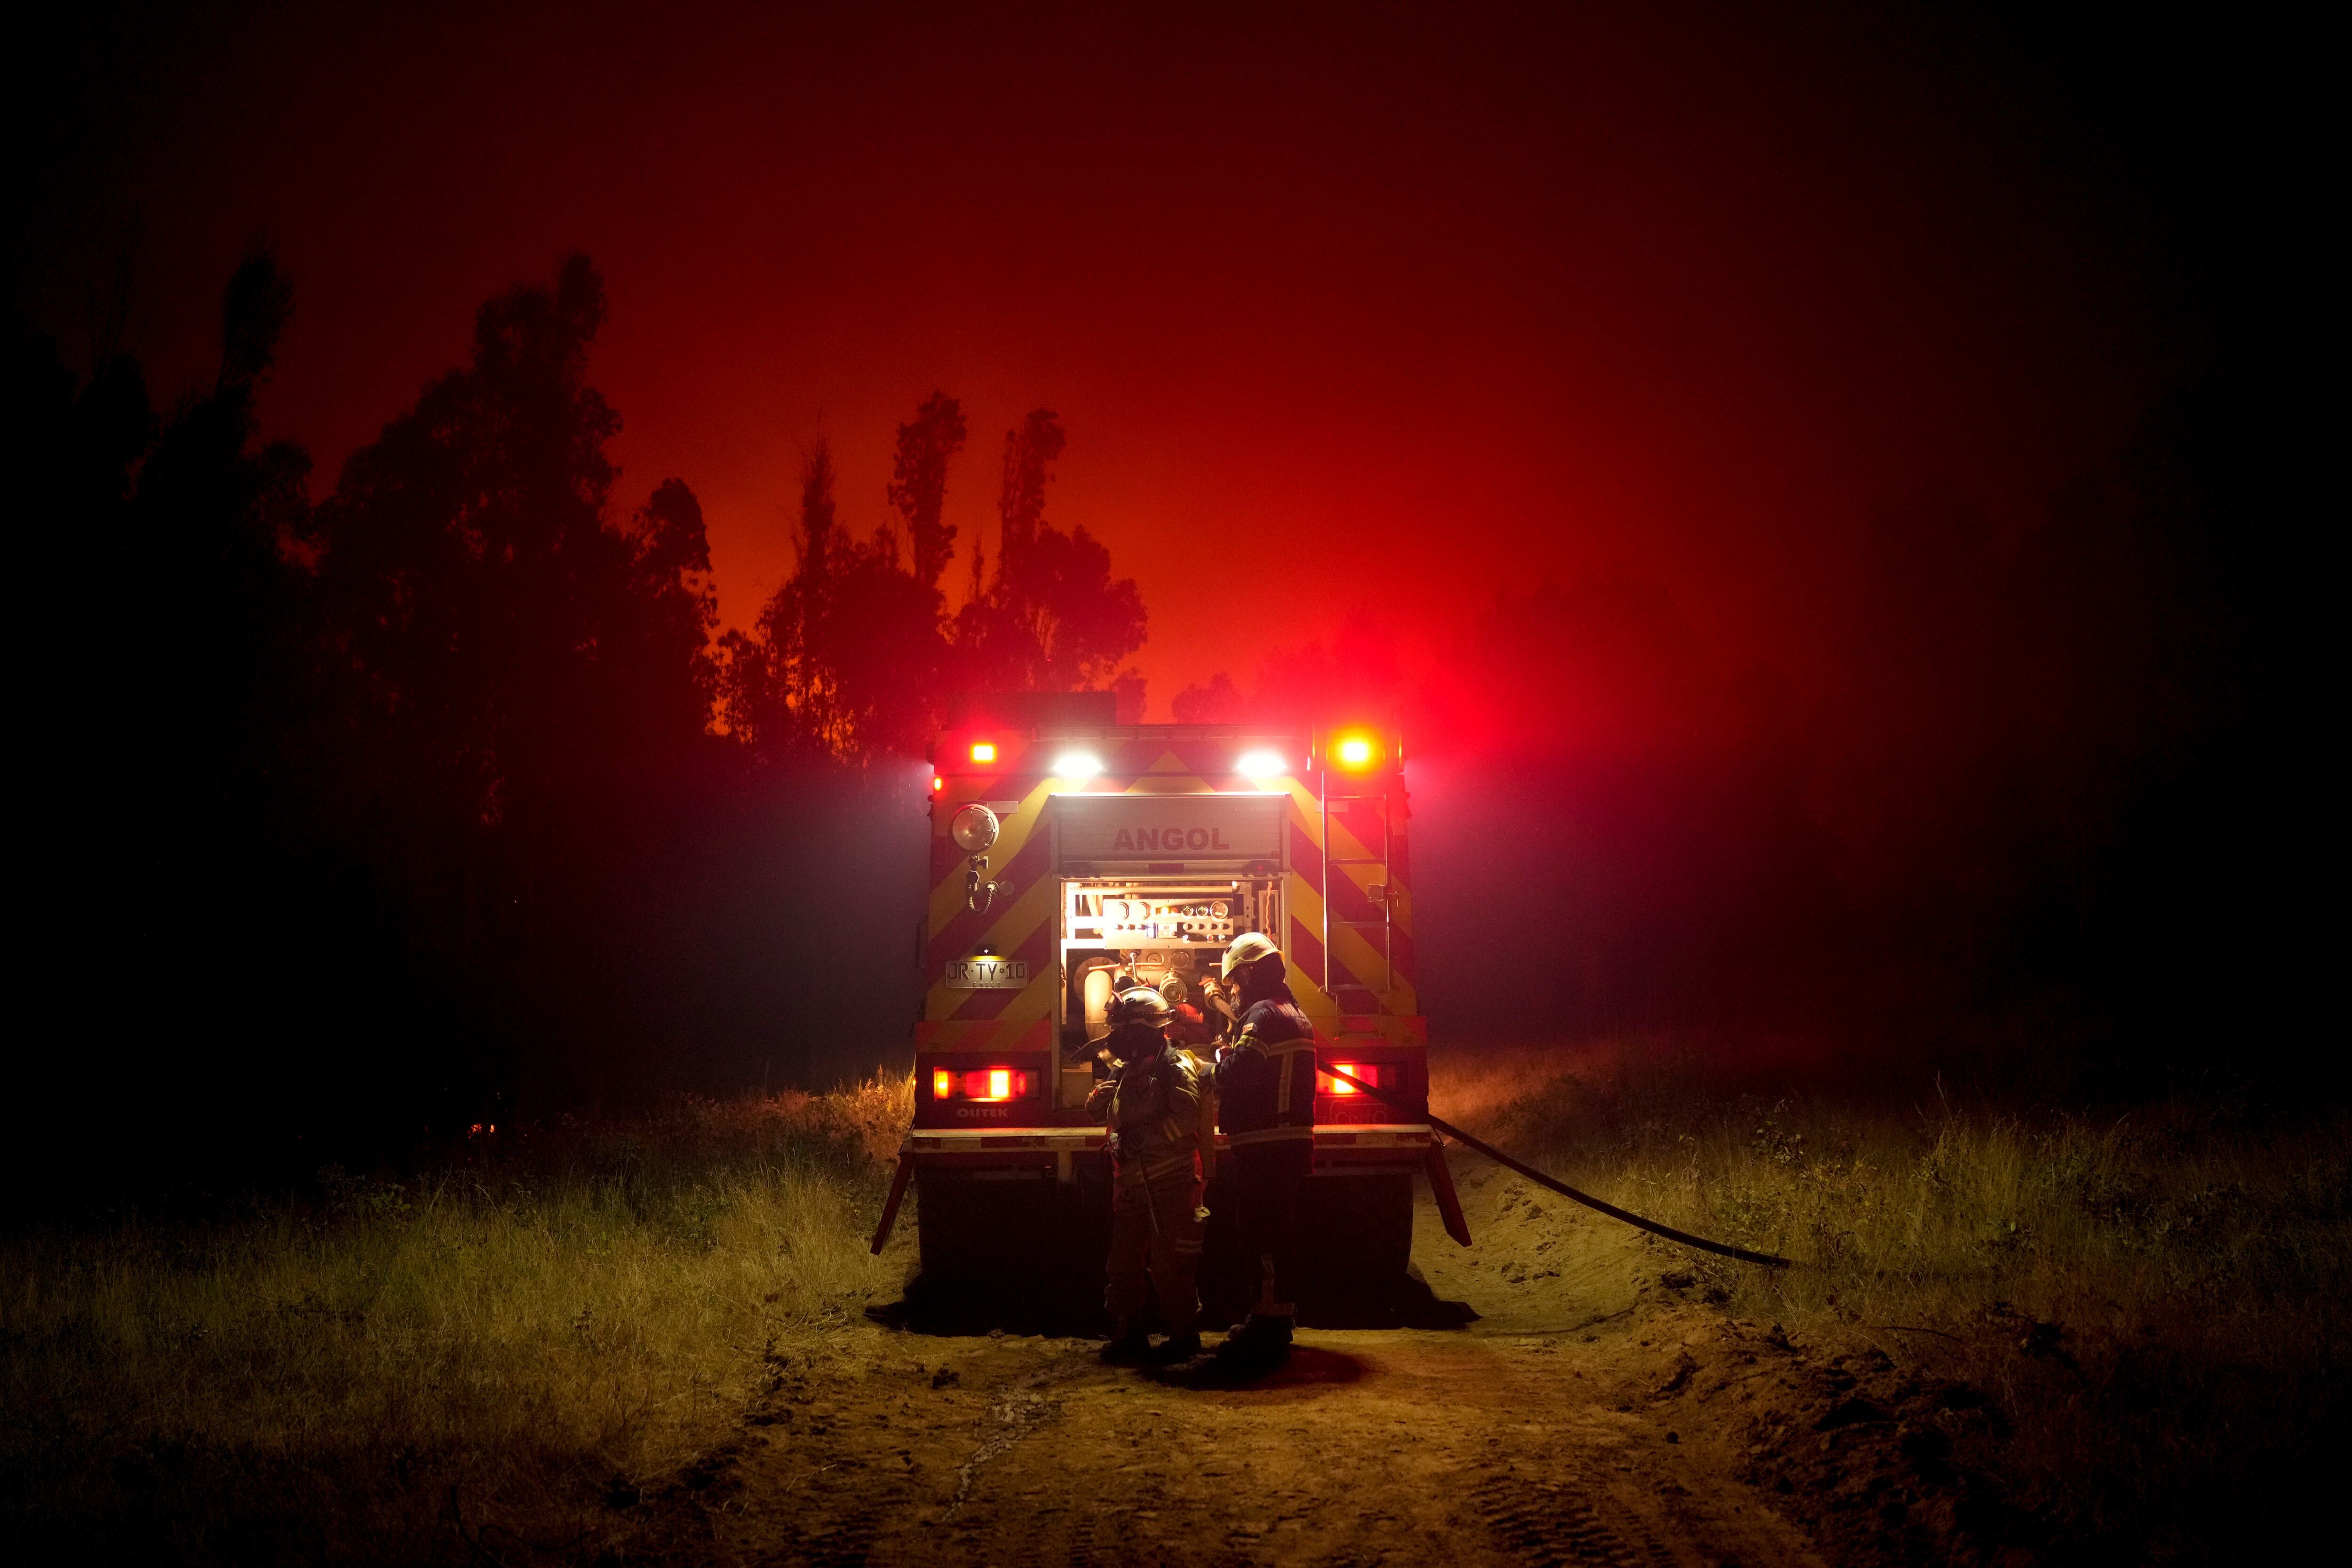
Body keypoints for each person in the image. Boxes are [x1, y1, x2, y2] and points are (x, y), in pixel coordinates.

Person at [1087, 986, 1210, 1363]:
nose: (1120, 1037)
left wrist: (1143, 1138)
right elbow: (1099, 1113)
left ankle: (1184, 1333)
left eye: (1128, 1029)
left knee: (1170, 1264)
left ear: (1153, 1030)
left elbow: (1186, 1117)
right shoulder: (1125, 1068)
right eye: (1117, 1029)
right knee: (1123, 1263)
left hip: (1172, 1183)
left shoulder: (1176, 1066)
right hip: (1131, 1184)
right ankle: (1128, 1333)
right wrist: (1103, 1092)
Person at [1211, 931, 1317, 1364]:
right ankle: (1275, 1315)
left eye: (1235, 981)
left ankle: (1268, 1326)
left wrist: (1214, 1065)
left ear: (1251, 973)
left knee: (1262, 1232)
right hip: (1287, 1141)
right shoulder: (1292, 1011)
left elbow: (1242, 1072)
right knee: (1278, 1230)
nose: (1233, 992)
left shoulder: (1260, 1014)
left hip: (1268, 1142)